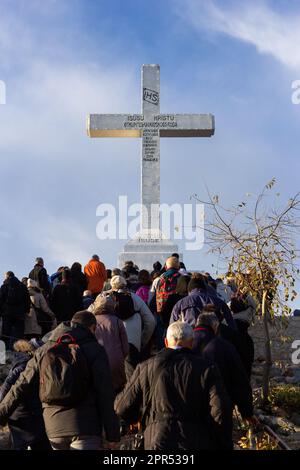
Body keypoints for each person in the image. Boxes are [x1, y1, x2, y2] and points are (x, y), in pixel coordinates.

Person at [0, 311, 120, 450]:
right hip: (86, 426)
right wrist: (112, 435)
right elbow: (105, 393)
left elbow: (20, 386)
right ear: (92, 328)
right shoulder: (94, 349)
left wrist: (2, 415)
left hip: (53, 427)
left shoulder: (44, 350)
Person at [115, 322, 233, 450]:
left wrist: (136, 418)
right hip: (195, 440)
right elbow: (220, 410)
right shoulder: (207, 368)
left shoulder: (146, 367)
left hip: (156, 439)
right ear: (192, 342)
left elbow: (121, 406)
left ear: (166, 342)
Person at [193, 311, 254, 423]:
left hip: (189, 408)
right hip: (218, 409)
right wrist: (246, 412)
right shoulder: (224, 346)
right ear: (215, 326)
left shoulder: (184, 342)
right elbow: (240, 380)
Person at [90, 275, 155, 380]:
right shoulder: (134, 297)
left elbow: (88, 316)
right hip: (131, 344)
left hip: (105, 344)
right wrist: (142, 341)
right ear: (125, 284)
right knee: (132, 380)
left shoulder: (102, 297)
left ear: (111, 284)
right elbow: (151, 321)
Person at [0, 339, 51, 450]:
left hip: (21, 413)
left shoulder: (19, 363)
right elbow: (7, 388)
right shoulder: (25, 365)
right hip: (27, 413)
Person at [170, 275, 235, 329]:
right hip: (213, 340)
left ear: (189, 290)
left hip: (188, 340)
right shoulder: (219, 302)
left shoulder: (180, 304)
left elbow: (172, 329)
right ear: (205, 288)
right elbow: (231, 325)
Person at [93, 296, 129, 393]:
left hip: (98, 362)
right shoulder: (118, 321)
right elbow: (125, 348)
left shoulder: (92, 322)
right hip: (116, 362)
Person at [0, 272, 30, 349]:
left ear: (6, 277)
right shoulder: (23, 286)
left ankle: (5, 353)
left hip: (7, 313)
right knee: (18, 335)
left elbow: (1, 299)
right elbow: (27, 300)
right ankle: (18, 353)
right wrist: (26, 311)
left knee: (6, 334)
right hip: (20, 314)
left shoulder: (4, 286)